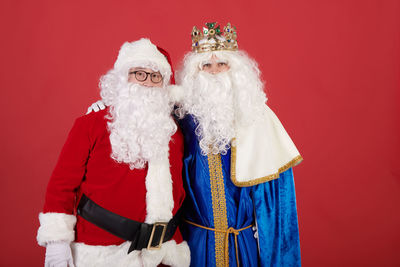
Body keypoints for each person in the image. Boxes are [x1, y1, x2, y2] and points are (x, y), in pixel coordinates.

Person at [37, 38, 190, 267]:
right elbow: (62, 185)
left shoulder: (174, 132)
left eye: (155, 76)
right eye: (139, 73)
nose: (147, 82)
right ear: (123, 78)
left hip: (163, 255)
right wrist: (57, 242)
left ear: (165, 85)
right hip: (103, 253)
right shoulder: (90, 124)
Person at [172, 22, 303, 267]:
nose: (214, 71)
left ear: (236, 70)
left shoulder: (256, 116)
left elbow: (276, 195)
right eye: (206, 65)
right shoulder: (180, 117)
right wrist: (103, 110)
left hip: (243, 245)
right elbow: (141, 117)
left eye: (222, 64)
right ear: (194, 73)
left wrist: (266, 238)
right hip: (195, 245)